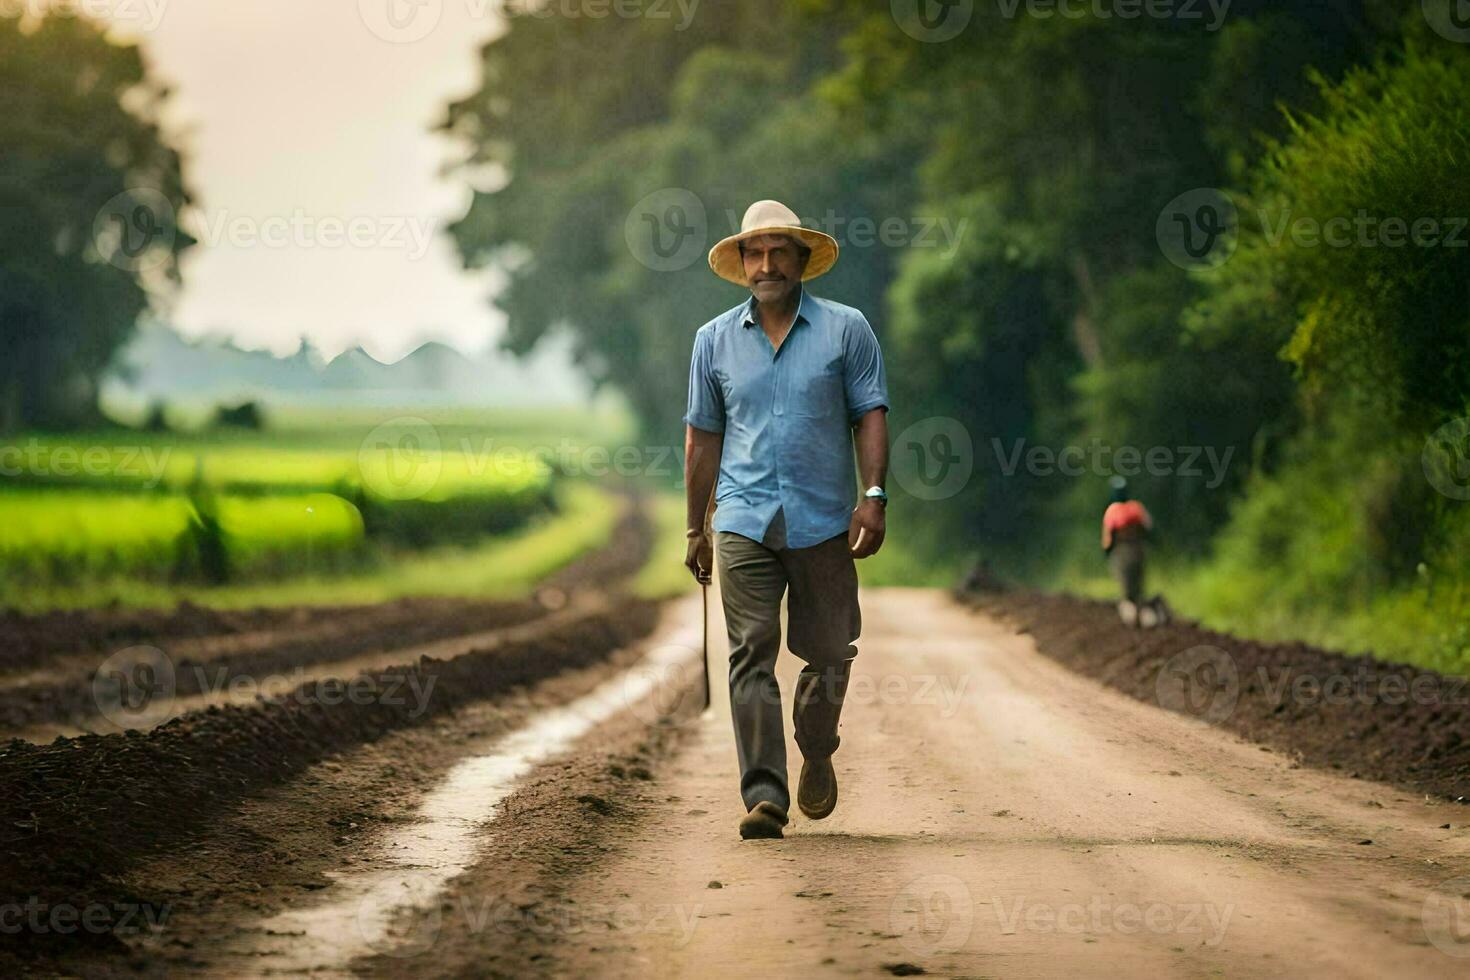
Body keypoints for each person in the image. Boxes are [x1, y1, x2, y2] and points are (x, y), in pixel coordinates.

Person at [682, 200, 890, 841]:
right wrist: (697, 528)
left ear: (802, 260)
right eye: (755, 252)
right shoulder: (712, 340)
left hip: (825, 518)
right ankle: (765, 794)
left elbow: (872, 414)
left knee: (829, 652)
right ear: (741, 263)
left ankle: (817, 746)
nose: (766, 264)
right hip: (742, 518)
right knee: (750, 651)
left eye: (778, 252)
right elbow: (702, 438)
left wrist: (874, 495)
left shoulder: (846, 329)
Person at [1101, 476, 1155, 627]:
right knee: (1139, 587)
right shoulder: (1136, 507)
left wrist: (1108, 554)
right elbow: (1148, 527)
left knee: (1126, 590)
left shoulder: (1112, 511)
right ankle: (1144, 617)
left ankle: (1132, 621)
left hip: (1121, 552)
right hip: (1138, 549)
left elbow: (1107, 539)